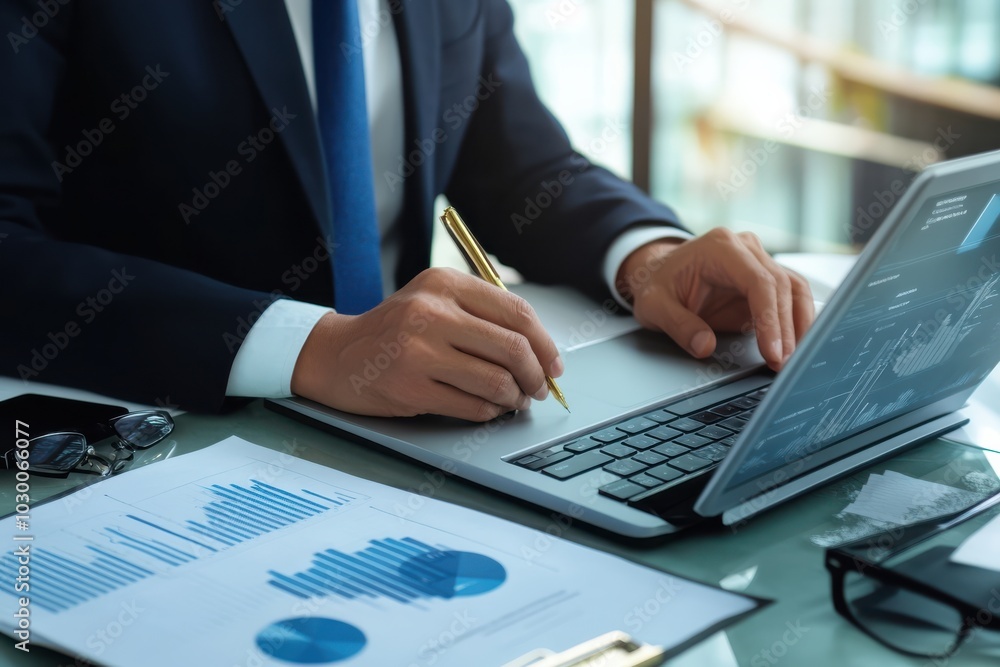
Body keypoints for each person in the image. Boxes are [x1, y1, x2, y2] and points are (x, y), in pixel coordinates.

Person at [0, 0, 813, 421]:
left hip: (419, 431)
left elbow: (518, 162)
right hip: (149, 434)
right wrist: (317, 348)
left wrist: (649, 257)